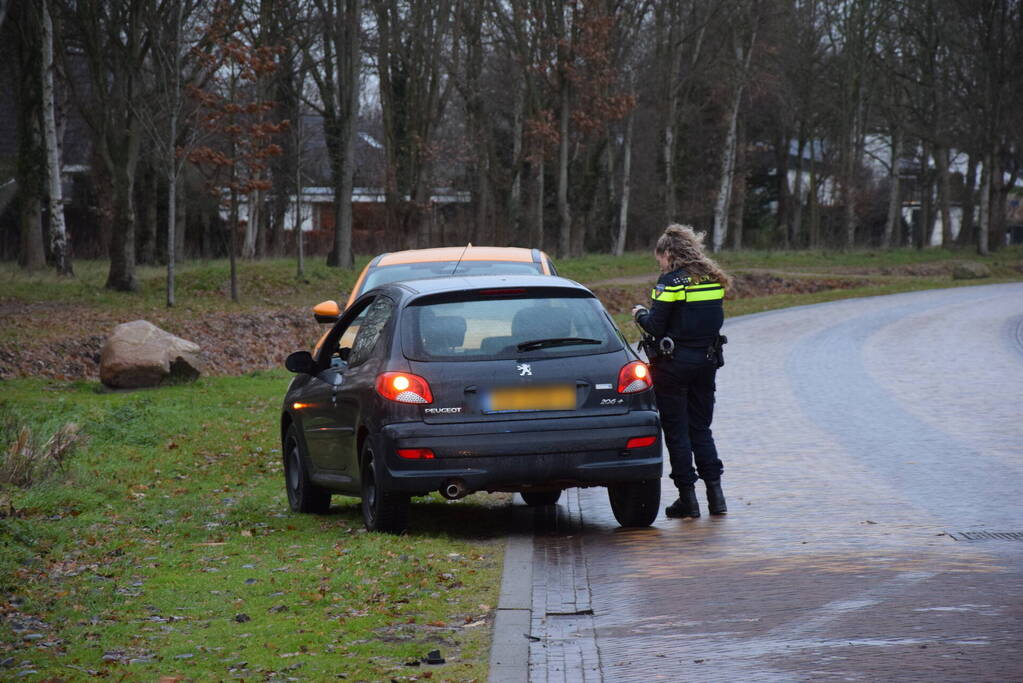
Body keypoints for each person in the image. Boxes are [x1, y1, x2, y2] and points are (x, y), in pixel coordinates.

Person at [632, 224, 730, 519]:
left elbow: (655, 326)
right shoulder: (713, 279)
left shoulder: (671, 283)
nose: (659, 264)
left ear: (669, 254)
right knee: (701, 429)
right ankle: (716, 496)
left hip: (673, 366)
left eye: (659, 259)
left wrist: (640, 313)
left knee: (677, 432)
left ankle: (688, 499)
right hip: (707, 362)